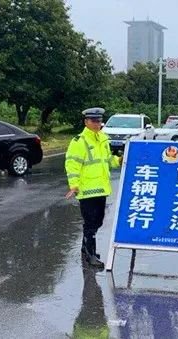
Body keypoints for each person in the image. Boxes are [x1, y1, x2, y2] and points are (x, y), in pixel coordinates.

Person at [65, 107, 122, 269]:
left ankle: (85, 248)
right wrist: (74, 185)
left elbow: (107, 160)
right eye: (93, 121)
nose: (97, 124)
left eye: (99, 121)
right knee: (90, 222)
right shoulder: (79, 141)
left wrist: (119, 160)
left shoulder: (103, 138)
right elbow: (72, 164)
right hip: (87, 189)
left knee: (98, 220)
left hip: (101, 188)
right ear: (86, 122)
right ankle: (91, 254)